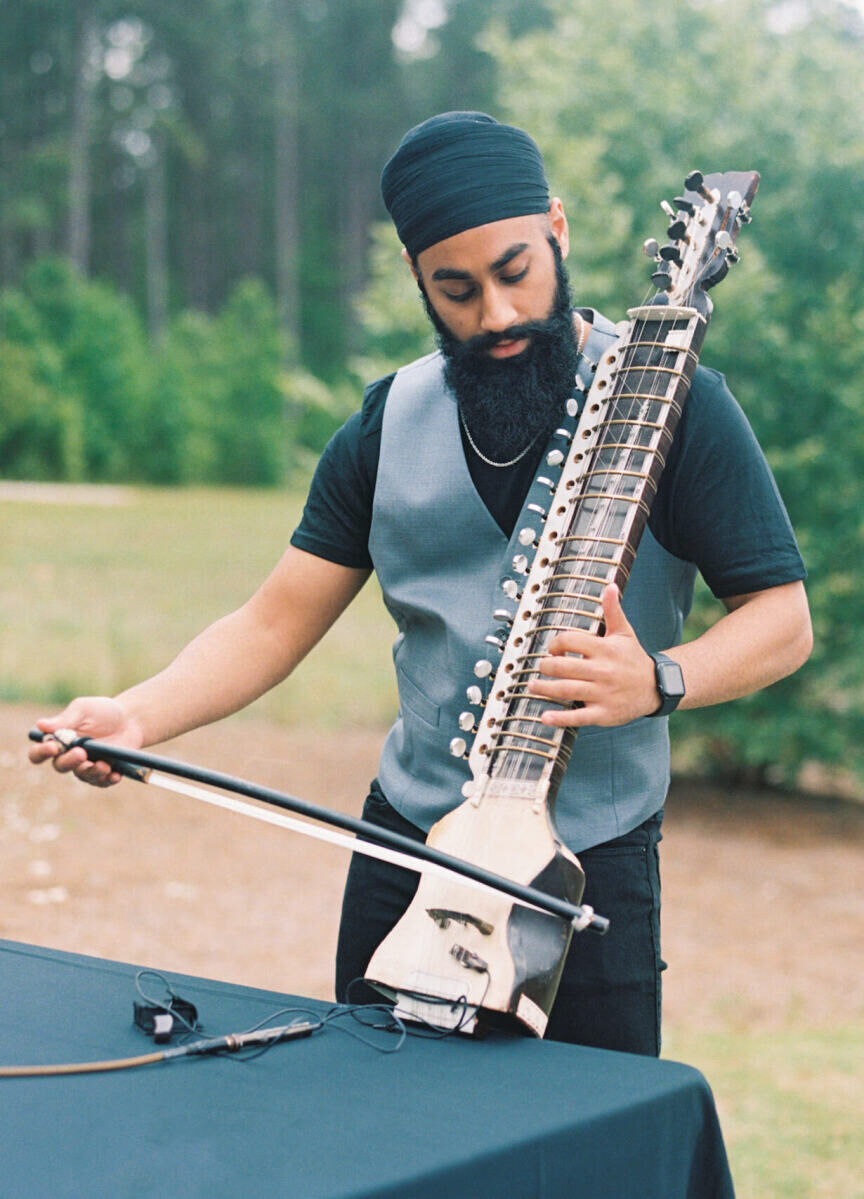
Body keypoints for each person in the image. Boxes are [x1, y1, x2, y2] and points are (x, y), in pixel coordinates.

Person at [30, 112, 812, 1056]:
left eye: (515, 270)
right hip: (406, 849)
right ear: (419, 282)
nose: (496, 315)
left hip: (589, 868)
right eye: (457, 289)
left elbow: (782, 620)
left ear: (557, 231)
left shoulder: (678, 404)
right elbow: (273, 623)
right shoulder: (384, 424)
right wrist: (139, 716)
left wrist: (659, 681)